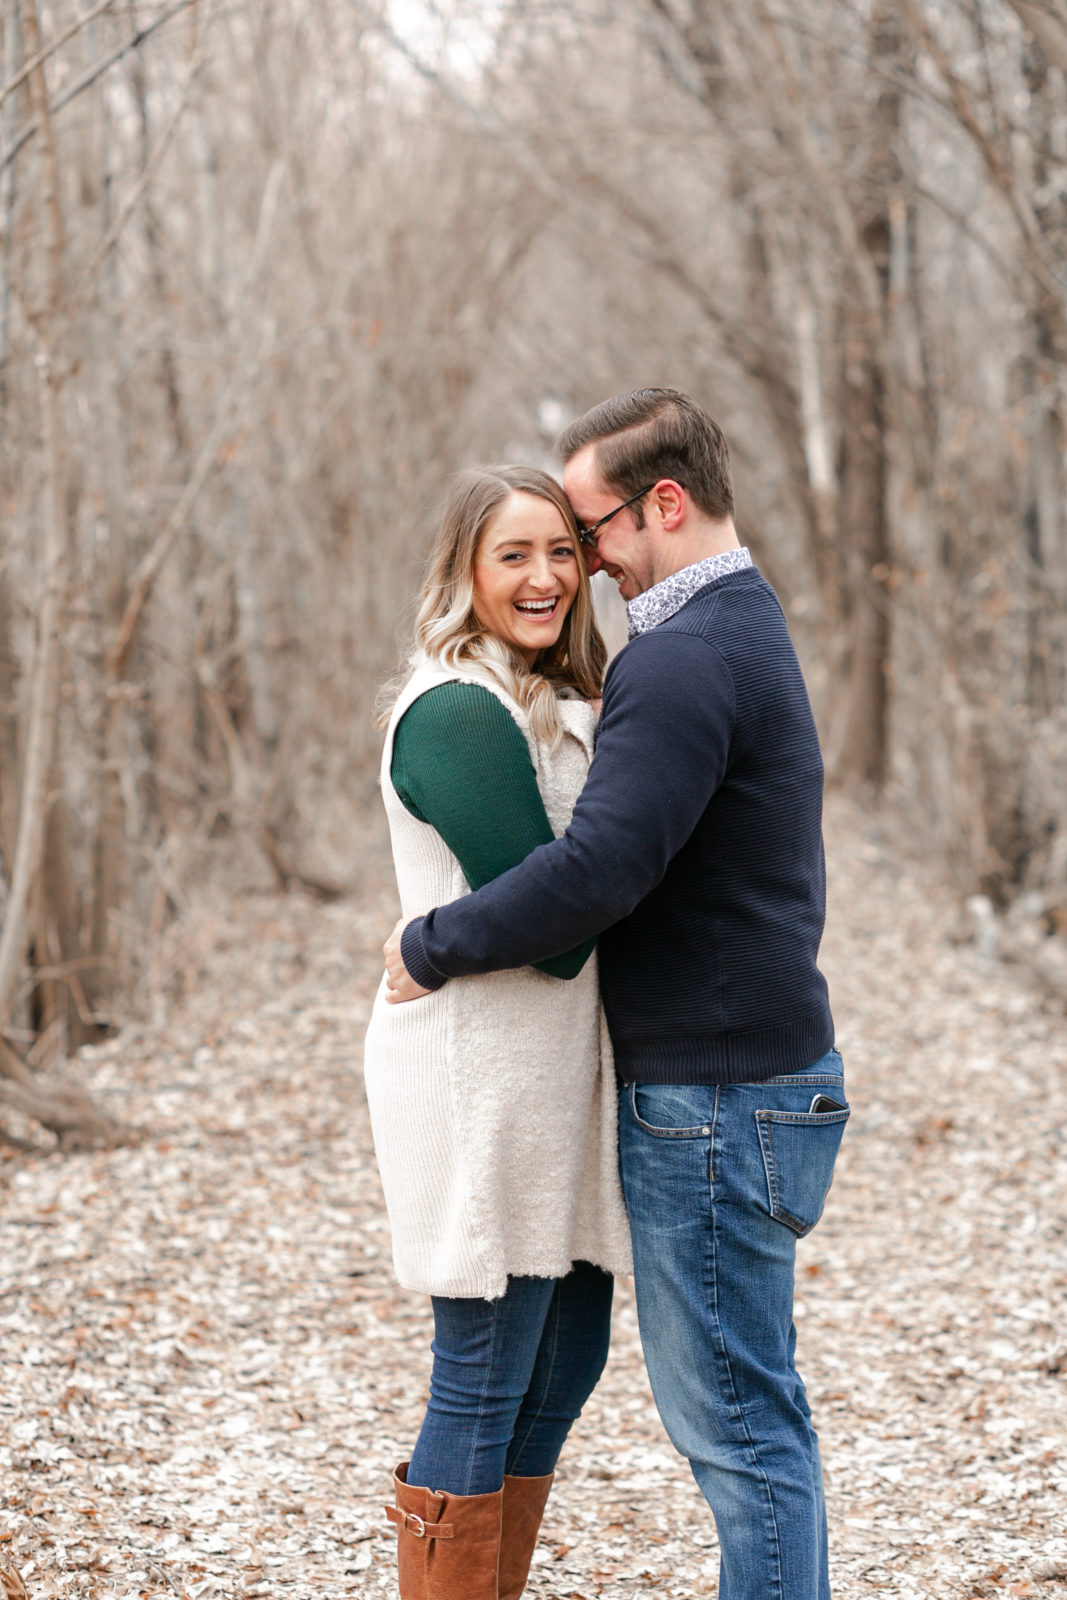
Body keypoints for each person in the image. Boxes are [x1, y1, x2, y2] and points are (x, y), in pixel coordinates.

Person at [384, 389, 850, 1600]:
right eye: (528, 551)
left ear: (662, 505)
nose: (573, 565)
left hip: (717, 1088)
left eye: (581, 533)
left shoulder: (683, 654)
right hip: (708, 1081)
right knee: (727, 1418)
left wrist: (427, 943)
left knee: (739, 1433)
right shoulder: (728, 629)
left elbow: (595, 873)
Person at [363, 464, 632, 1600]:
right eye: (511, 554)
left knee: (566, 1356)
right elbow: (556, 922)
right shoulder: (457, 710)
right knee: (482, 1371)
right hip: (477, 1076)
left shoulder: (557, 699)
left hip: (558, 1074)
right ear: (464, 572)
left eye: (561, 552)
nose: (542, 577)